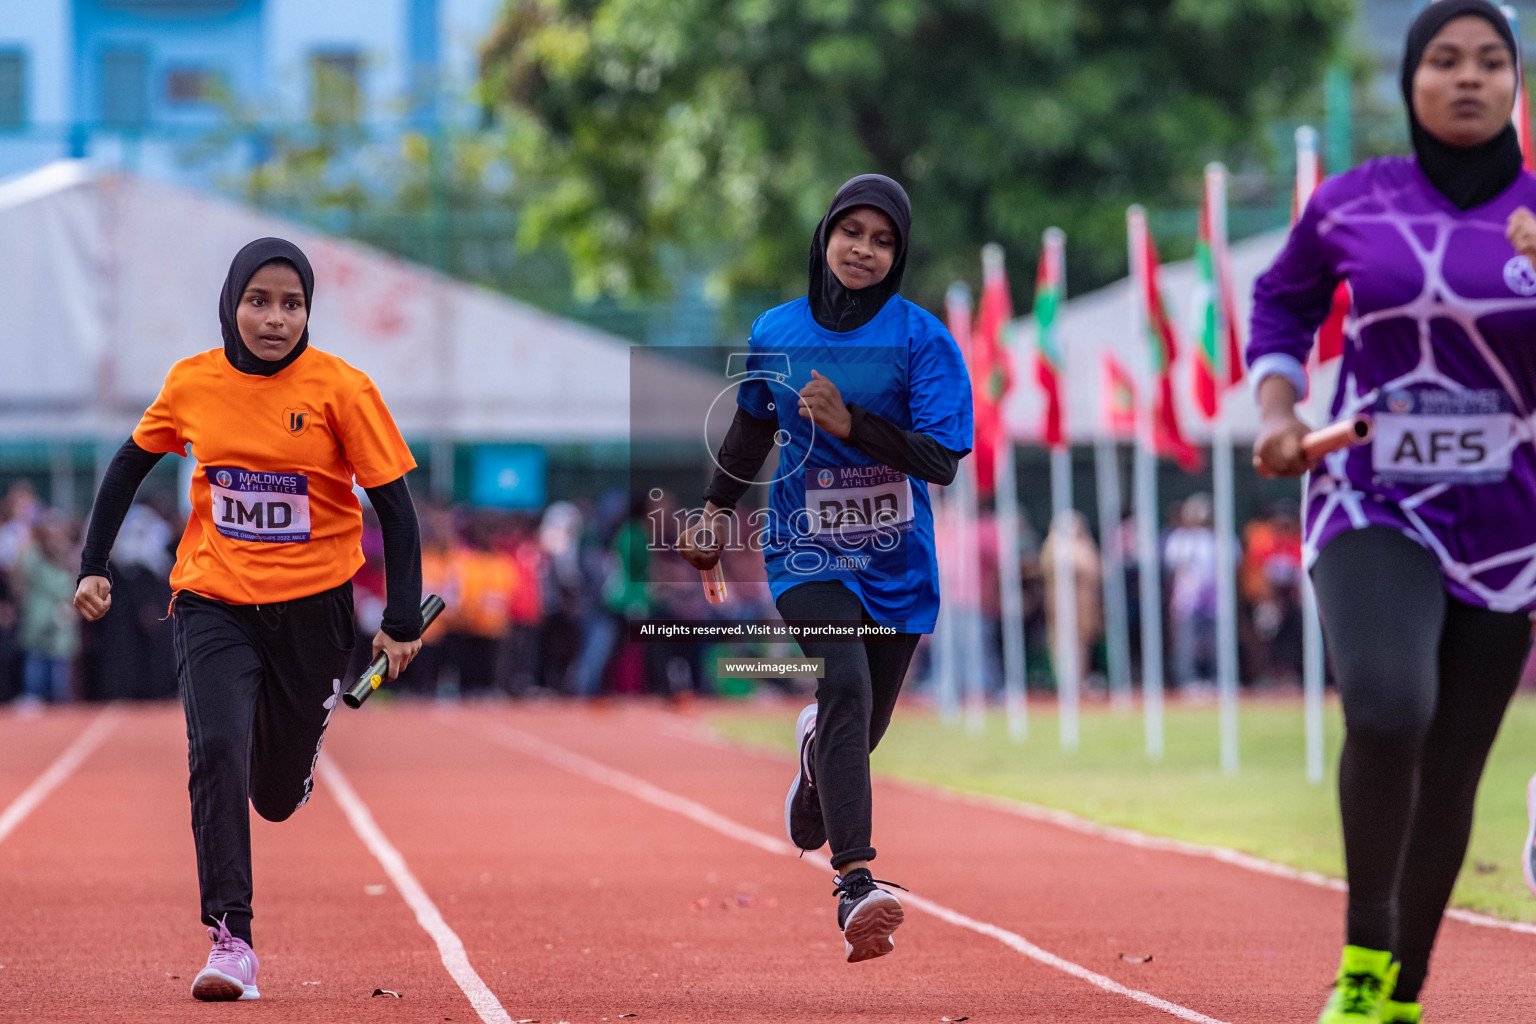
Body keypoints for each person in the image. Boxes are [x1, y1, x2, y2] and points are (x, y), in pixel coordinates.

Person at [1248, 5, 1536, 1021]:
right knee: (1386, 707)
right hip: (1372, 493)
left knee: (1453, 766)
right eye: (1445, 61)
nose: (1468, 78)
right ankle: (1364, 961)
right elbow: (1280, 304)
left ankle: (1398, 996)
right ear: (1412, 80)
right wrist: (1280, 405)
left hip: (1509, 524)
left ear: (1515, 81)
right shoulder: (1352, 204)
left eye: (1490, 62)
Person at [72, 237, 423, 1002]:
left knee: (270, 792)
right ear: (231, 303)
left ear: (308, 312)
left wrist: (400, 621)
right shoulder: (192, 381)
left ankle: (292, 759)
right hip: (213, 599)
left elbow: (395, 509)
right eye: (258, 301)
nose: (274, 318)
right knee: (217, 750)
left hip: (314, 610)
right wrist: (92, 563)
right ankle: (232, 939)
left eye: (291, 304)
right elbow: (129, 464)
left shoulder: (342, 388)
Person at [679, 174, 972, 962]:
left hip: (897, 563)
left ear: (898, 255)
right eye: (853, 232)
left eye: (883, 241)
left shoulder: (923, 340)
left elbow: (940, 460)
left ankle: (815, 771)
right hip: (804, 552)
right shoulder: (775, 330)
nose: (864, 251)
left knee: (859, 725)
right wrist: (713, 513)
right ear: (826, 235)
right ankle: (856, 883)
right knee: (842, 683)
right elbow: (748, 432)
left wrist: (856, 424)